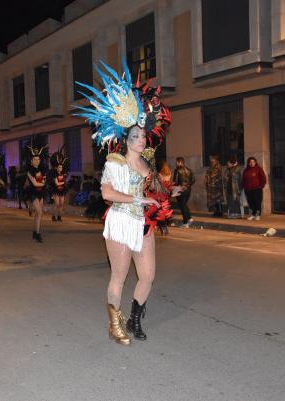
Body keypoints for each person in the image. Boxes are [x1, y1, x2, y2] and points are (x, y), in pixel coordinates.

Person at [75, 58, 177, 345]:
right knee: (118, 276)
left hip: (144, 224)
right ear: (125, 138)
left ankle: (134, 318)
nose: (141, 140)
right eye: (136, 136)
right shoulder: (115, 162)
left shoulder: (148, 163)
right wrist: (137, 198)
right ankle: (113, 322)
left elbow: (154, 193)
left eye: (143, 136)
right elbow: (107, 193)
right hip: (121, 221)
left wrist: (167, 195)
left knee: (147, 276)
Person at [26, 142, 48, 242]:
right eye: (35, 159)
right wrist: (43, 183)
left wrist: (42, 183)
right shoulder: (29, 171)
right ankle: (38, 234)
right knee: (39, 212)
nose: (37, 161)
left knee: (38, 214)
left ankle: (35, 232)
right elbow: (35, 183)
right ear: (31, 161)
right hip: (33, 193)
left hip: (41, 193)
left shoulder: (42, 169)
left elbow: (43, 181)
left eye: (38, 159)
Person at [241, 156, 267, 221]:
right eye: (250, 162)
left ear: (255, 162)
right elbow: (243, 180)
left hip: (257, 189)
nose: (251, 163)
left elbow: (263, 179)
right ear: (248, 163)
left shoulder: (259, 169)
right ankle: (253, 214)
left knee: (257, 202)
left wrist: (261, 186)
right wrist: (243, 187)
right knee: (250, 203)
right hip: (248, 190)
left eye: (253, 162)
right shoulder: (246, 170)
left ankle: (258, 215)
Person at [172, 157, 195, 228]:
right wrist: (187, 185)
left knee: (182, 206)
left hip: (180, 189)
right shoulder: (189, 170)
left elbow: (175, 181)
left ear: (179, 162)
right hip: (188, 189)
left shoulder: (177, 170)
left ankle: (186, 222)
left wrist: (175, 188)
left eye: (176, 162)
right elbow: (193, 180)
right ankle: (190, 218)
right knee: (184, 204)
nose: (176, 163)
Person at [50, 146, 68, 222]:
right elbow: (57, 183)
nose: (60, 168)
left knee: (61, 204)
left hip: (62, 190)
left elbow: (63, 182)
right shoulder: (54, 174)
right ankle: (54, 216)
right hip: (56, 190)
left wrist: (63, 181)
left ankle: (59, 216)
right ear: (57, 167)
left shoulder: (62, 174)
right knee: (56, 204)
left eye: (61, 167)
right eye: (59, 167)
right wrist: (62, 181)